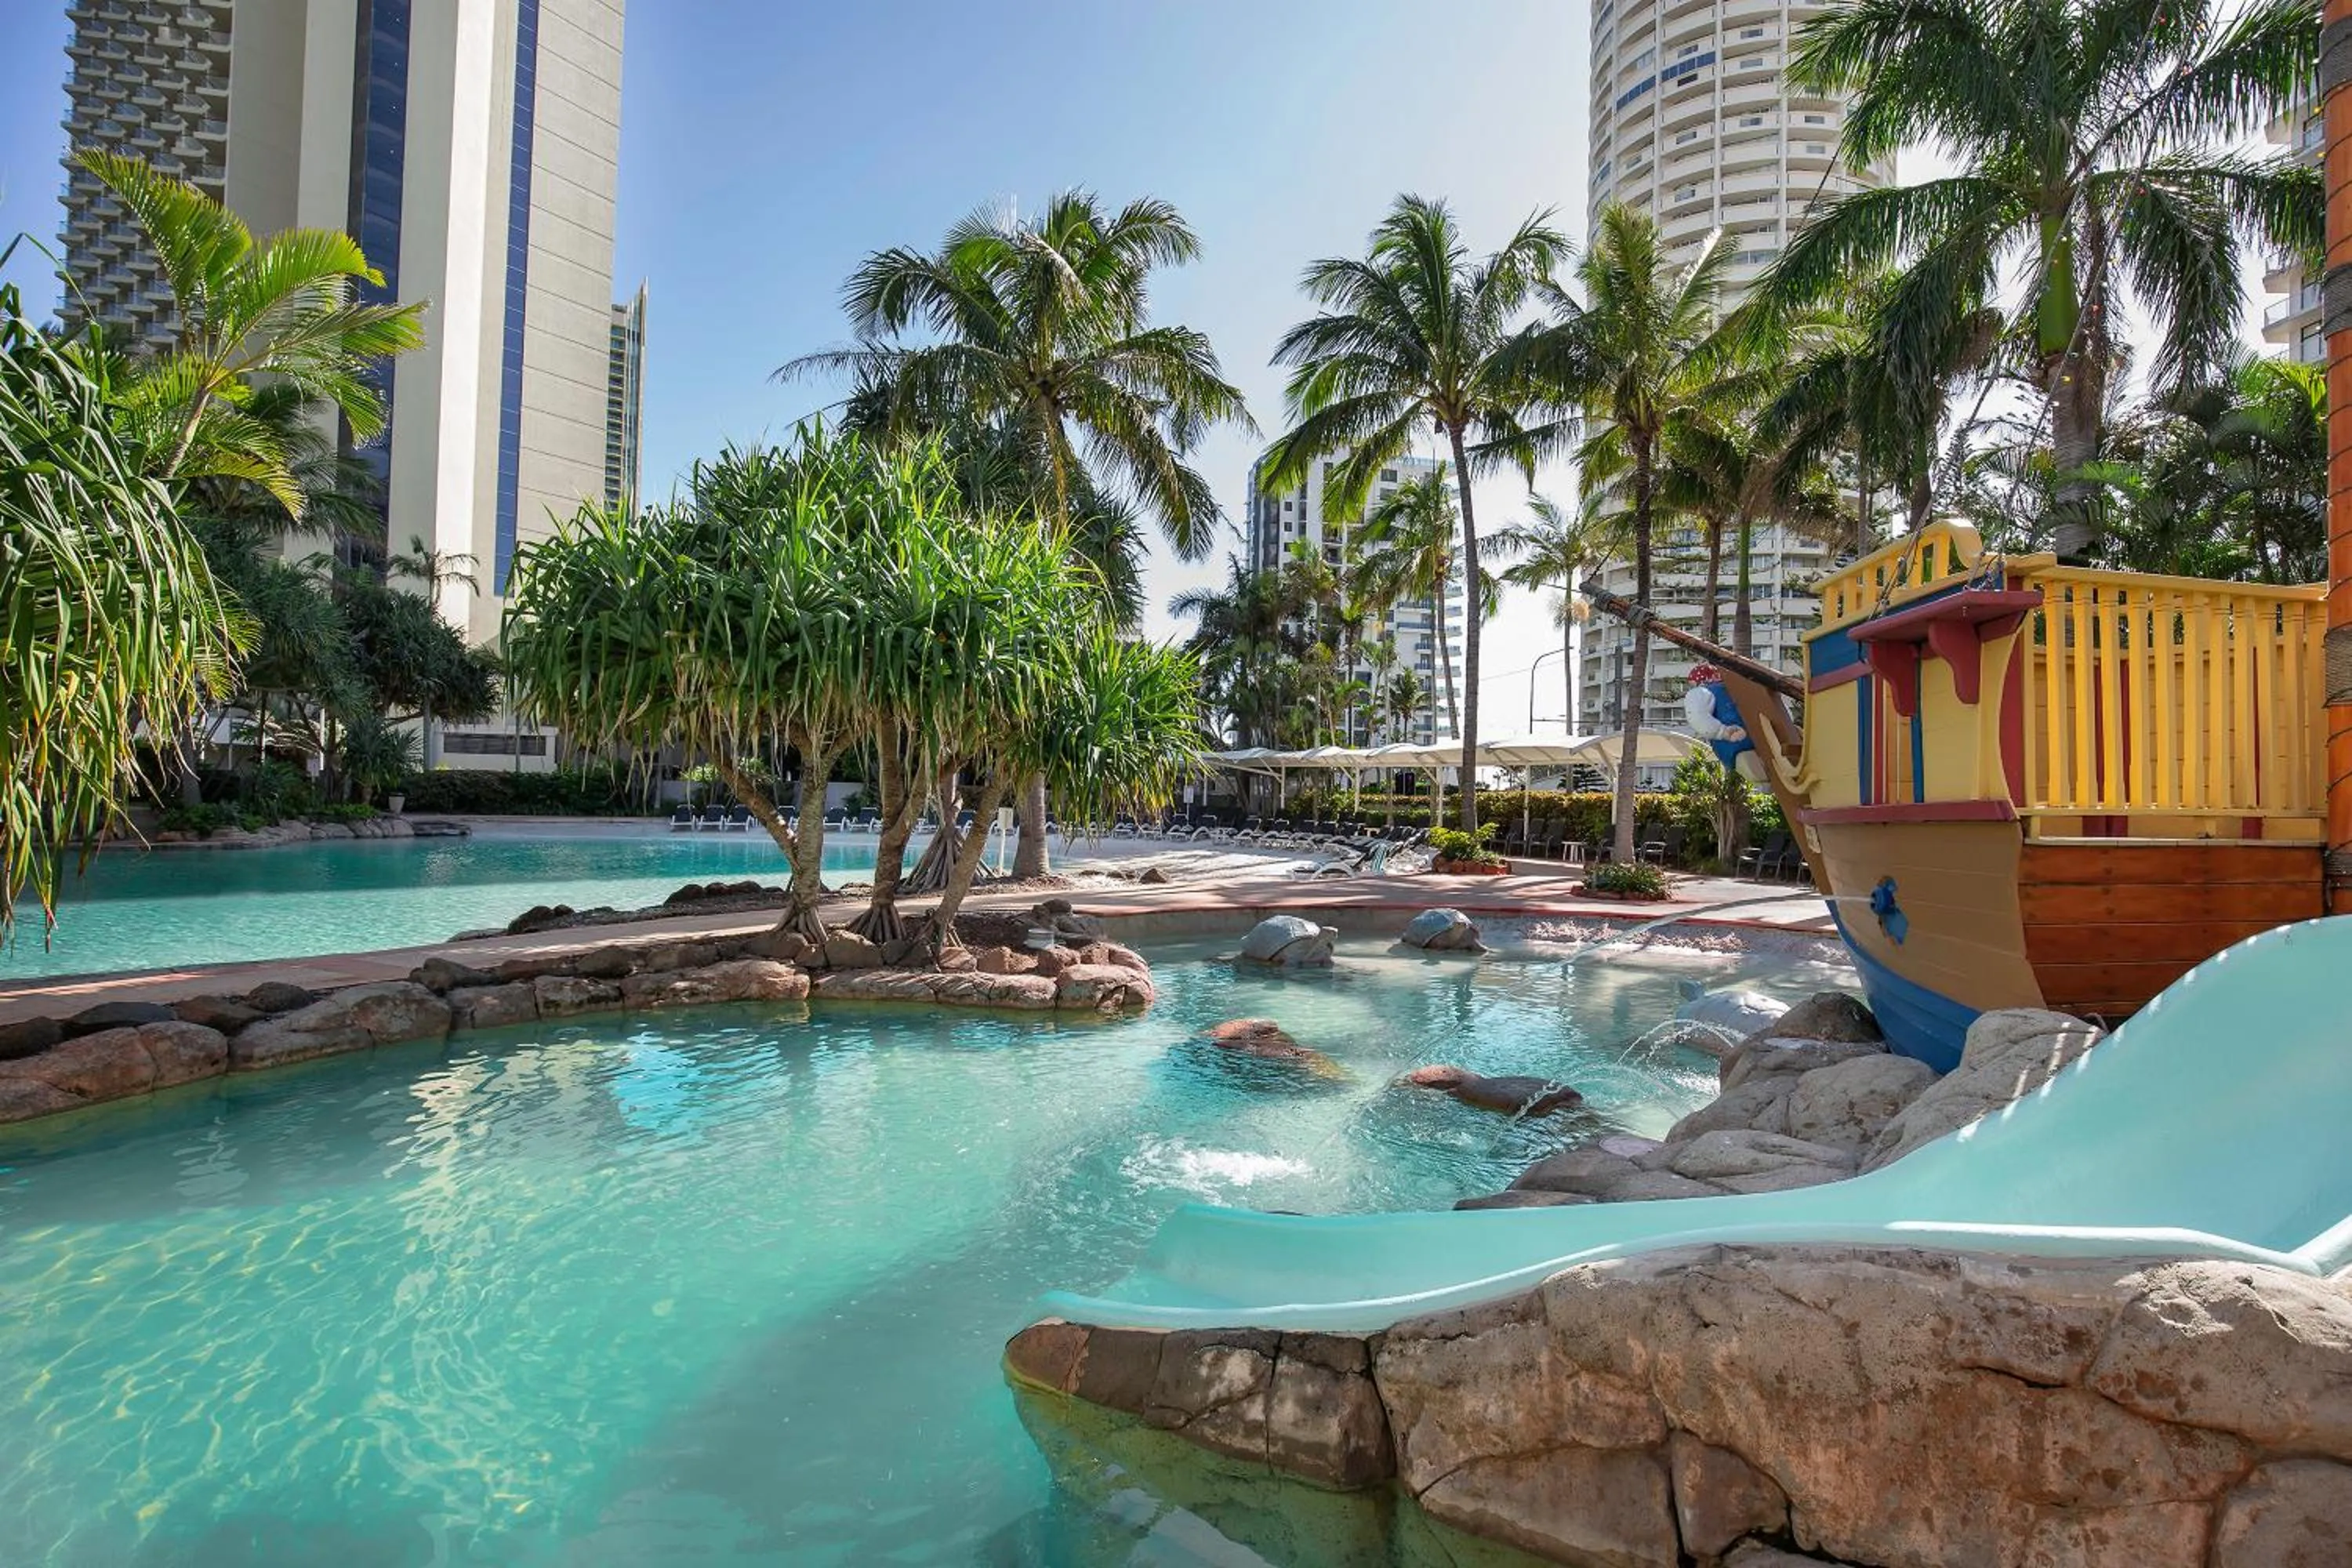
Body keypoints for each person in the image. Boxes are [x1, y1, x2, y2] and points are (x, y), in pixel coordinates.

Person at [1682, 663, 1762, 781]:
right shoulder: (1738, 690)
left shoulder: (1703, 692)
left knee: (1751, 770)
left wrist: (1722, 732)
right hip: (1760, 740)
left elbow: (1697, 715)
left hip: (1733, 743)